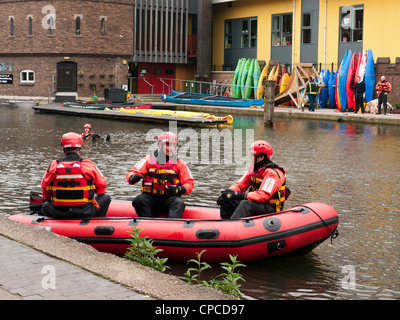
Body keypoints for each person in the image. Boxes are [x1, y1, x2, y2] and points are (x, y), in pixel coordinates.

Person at [41, 132, 111, 218]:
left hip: (58, 211)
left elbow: (45, 192)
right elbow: (101, 189)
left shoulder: (53, 165)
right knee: (105, 197)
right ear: (80, 147)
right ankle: (94, 225)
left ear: (62, 146)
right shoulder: (87, 164)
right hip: (85, 212)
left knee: (44, 206)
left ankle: (51, 226)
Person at [126, 131, 194, 218]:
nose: (171, 148)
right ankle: (148, 224)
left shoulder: (180, 163)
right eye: (168, 145)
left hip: (170, 199)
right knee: (139, 200)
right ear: (160, 145)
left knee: (179, 203)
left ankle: (172, 227)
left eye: (173, 145)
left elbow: (189, 183)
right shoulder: (148, 160)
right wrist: (132, 178)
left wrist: (179, 189)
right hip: (150, 198)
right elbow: (132, 172)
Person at [217, 140, 290, 220]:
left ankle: (234, 228)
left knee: (245, 204)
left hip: (270, 208)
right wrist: (228, 193)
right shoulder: (253, 169)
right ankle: (225, 224)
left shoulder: (272, 174)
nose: (250, 157)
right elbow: (240, 185)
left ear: (261, 157)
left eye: (252, 155)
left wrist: (238, 196)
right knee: (227, 200)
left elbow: (262, 196)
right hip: (257, 204)